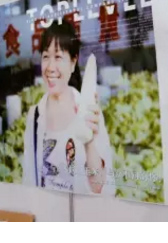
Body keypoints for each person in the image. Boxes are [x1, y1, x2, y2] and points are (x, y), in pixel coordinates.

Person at [22, 21, 115, 195]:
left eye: (58, 57)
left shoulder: (89, 112)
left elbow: (101, 189)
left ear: (73, 62)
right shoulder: (34, 115)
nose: (50, 67)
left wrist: (89, 142)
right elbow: (28, 179)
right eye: (45, 56)